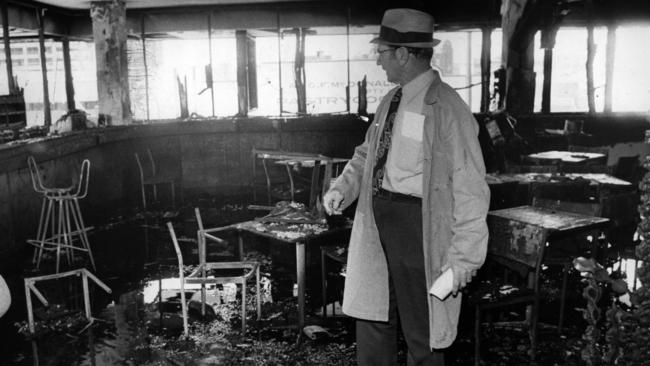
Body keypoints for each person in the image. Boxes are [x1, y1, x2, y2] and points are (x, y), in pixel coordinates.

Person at [323, 8, 490, 366]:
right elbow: (367, 154)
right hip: (377, 224)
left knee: (422, 331)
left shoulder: (446, 107)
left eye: (382, 52)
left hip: (419, 231)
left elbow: (471, 187)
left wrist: (464, 259)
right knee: (372, 317)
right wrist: (344, 187)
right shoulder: (391, 101)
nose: (379, 60)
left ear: (402, 54)